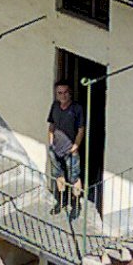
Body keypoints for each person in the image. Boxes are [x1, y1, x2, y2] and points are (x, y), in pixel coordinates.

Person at [46, 80, 87, 217]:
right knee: (59, 175)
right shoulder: (55, 106)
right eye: (60, 93)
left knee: (74, 177)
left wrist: (75, 146)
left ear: (70, 94)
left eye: (65, 93)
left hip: (70, 149)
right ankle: (61, 201)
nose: (63, 96)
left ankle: (76, 204)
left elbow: (81, 129)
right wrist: (51, 143)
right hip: (56, 148)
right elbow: (51, 124)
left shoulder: (76, 108)